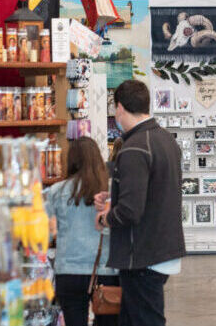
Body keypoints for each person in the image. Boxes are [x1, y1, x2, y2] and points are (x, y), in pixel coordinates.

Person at [94, 80, 185, 326]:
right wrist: (115, 197)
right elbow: (155, 192)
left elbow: (131, 211)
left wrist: (105, 217)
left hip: (142, 254)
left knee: (144, 319)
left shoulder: (134, 147)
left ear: (120, 107)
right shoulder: (166, 140)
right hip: (159, 247)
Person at [45, 137, 119, 326]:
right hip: (105, 270)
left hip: (68, 270)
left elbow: (47, 232)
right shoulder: (111, 191)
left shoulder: (56, 191)